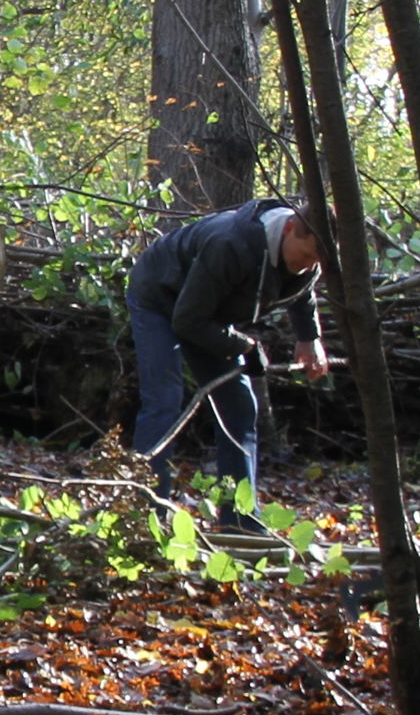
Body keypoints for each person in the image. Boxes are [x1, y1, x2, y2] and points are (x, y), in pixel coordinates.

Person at [127, 197, 328, 505]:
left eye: (316, 260)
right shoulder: (230, 244)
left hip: (204, 313)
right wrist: (244, 345)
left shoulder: (308, 259)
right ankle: (144, 511)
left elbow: (302, 291)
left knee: (240, 407)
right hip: (158, 296)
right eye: (306, 255)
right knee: (164, 400)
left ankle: (240, 519)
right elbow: (188, 321)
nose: (309, 265)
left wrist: (309, 338)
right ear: (289, 228)